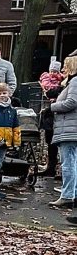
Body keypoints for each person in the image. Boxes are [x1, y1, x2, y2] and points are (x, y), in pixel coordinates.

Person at [49, 55, 77, 210]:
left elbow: (72, 102)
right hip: (72, 127)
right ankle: (73, 193)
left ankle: (67, 196)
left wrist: (52, 107)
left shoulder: (74, 82)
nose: (64, 70)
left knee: (69, 163)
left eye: (66, 66)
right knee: (73, 162)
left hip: (70, 128)